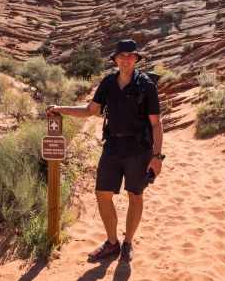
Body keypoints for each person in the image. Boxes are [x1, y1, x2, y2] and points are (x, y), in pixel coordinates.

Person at [46, 39, 164, 262]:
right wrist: (61, 109)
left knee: (135, 195)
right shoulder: (108, 83)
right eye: (122, 56)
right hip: (112, 147)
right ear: (116, 60)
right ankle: (112, 242)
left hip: (139, 150)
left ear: (136, 59)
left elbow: (156, 124)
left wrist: (157, 157)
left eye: (131, 56)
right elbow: (91, 110)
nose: (126, 59)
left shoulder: (146, 85)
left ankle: (128, 242)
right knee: (102, 194)